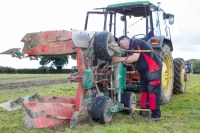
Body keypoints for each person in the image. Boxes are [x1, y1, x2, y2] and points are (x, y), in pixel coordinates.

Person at [112, 36, 162, 121]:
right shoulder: (128, 52)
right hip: (144, 72)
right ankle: (143, 112)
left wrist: (119, 59)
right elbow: (128, 63)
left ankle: (156, 115)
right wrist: (121, 60)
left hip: (153, 69)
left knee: (153, 92)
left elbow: (135, 57)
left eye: (121, 43)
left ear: (126, 39)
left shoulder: (135, 42)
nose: (121, 46)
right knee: (144, 92)